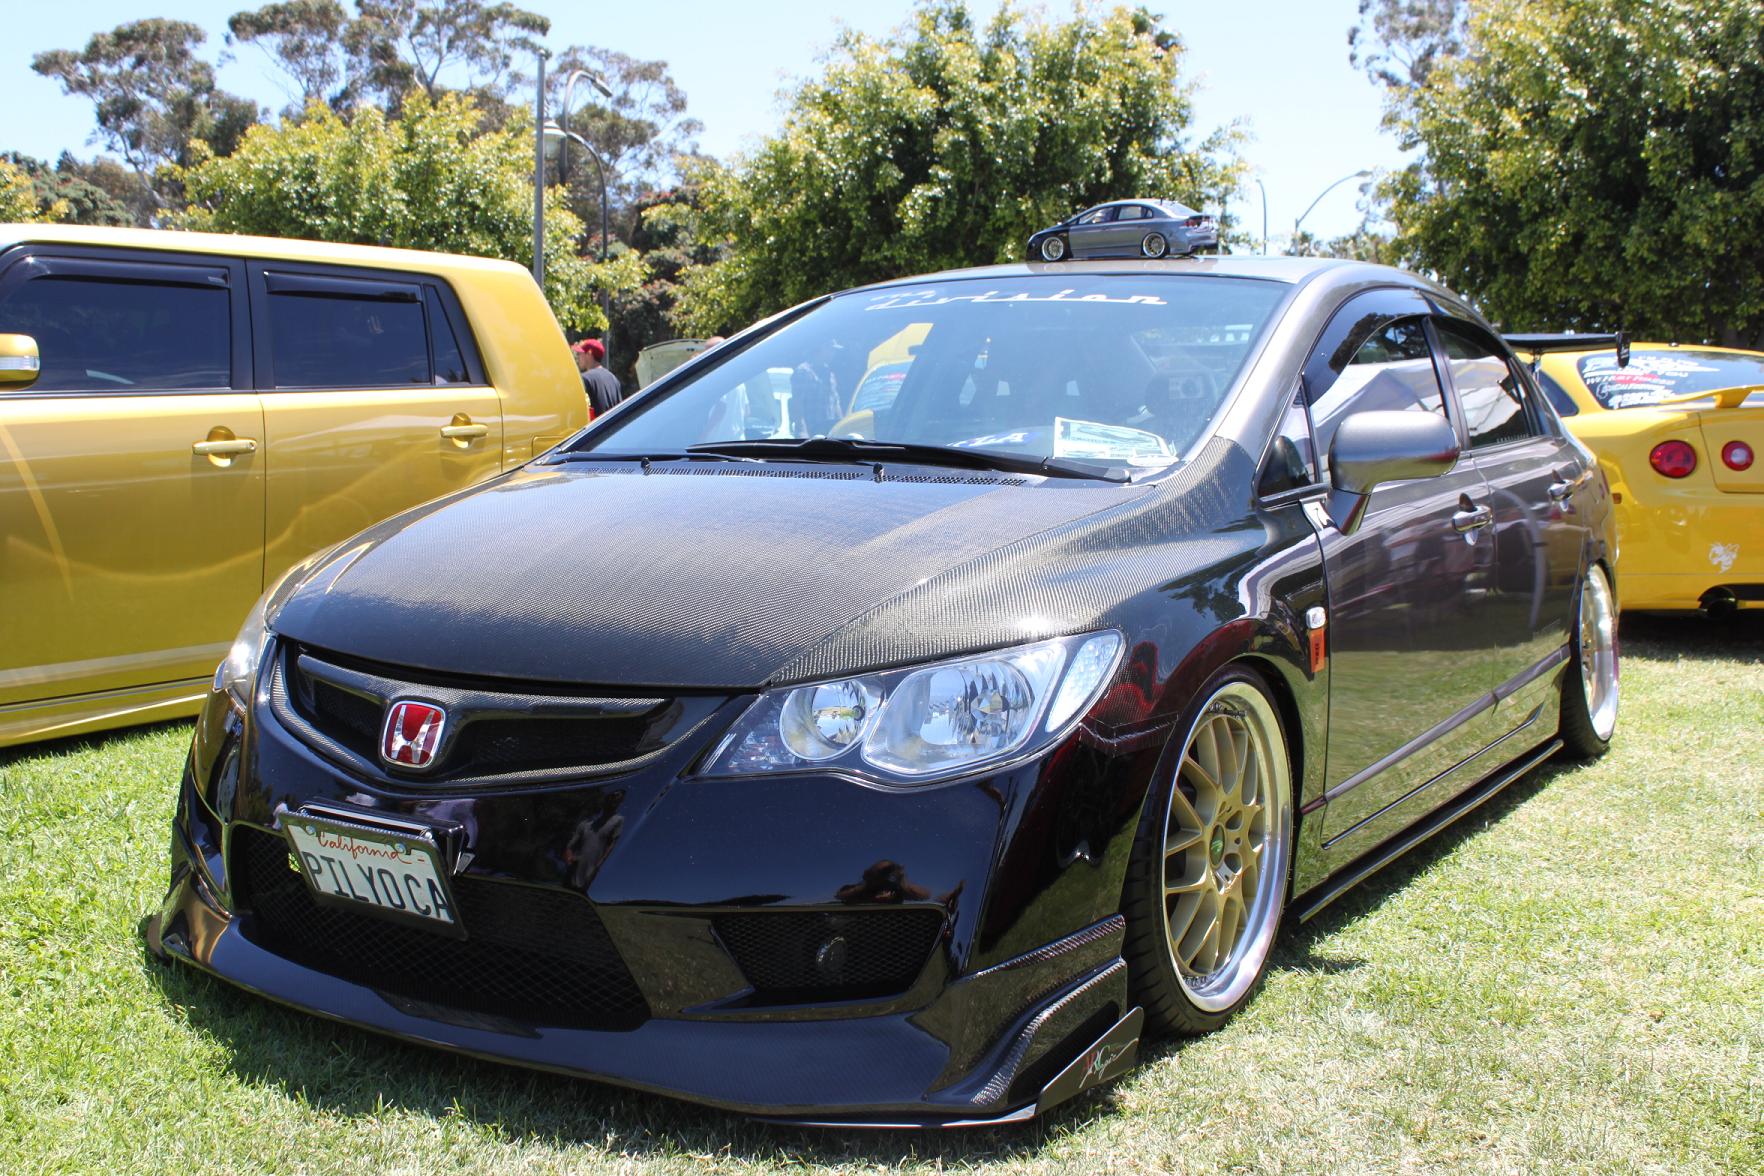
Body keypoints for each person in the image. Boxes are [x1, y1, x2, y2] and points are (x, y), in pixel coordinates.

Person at [574, 338, 623, 417]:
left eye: (580, 354)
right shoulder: (613, 378)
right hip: (614, 427)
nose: (578, 357)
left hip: (597, 428)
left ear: (589, 353)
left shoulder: (585, 379)